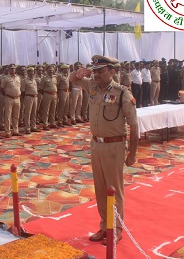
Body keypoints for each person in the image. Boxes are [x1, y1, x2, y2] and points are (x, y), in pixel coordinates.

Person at [70, 55, 138, 245]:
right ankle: (104, 226)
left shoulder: (122, 92)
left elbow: (134, 125)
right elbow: (73, 80)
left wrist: (132, 153)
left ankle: (116, 228)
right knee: (100, 188)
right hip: (96, 145)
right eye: (95, 70)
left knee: (114, 189)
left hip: (114, 145)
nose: (96, 74)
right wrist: (77, 74)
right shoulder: (92, 87)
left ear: (112, 72)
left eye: (101, 71)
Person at [0, 63, 21, 137]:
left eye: (14, 68)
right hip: (9, 98)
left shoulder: (18, 77)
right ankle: (7, 132)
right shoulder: (5, 78)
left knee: (16, 115)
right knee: (8, 116)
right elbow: (2, 89)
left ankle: (15, 130)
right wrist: (7, 95)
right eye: (11, 69)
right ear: (8, 70)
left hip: (17, 98)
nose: (13, 70)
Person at [38, 64, 58, 130]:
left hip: (54, 95)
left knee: (53, 110)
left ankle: (52, 123)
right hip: (47, 94)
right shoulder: (44, 78)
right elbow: (40, 88)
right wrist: (45, 93)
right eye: (49, 70)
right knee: (46, 110)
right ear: (46, 71)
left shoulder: (55, 77)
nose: (51, 71)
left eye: (52, 70)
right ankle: (45, 124)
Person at [21, 66, 39, 133]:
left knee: (34, 113)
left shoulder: (34, 80)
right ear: (27, 72)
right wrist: (26, 98)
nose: (32, 73)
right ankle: (27, 128)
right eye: (30, 72)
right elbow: (22, 91)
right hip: (28, 97)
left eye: (33, 72)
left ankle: (33, 126)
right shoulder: (25, 80)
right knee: (28, 113)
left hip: (35, 97)